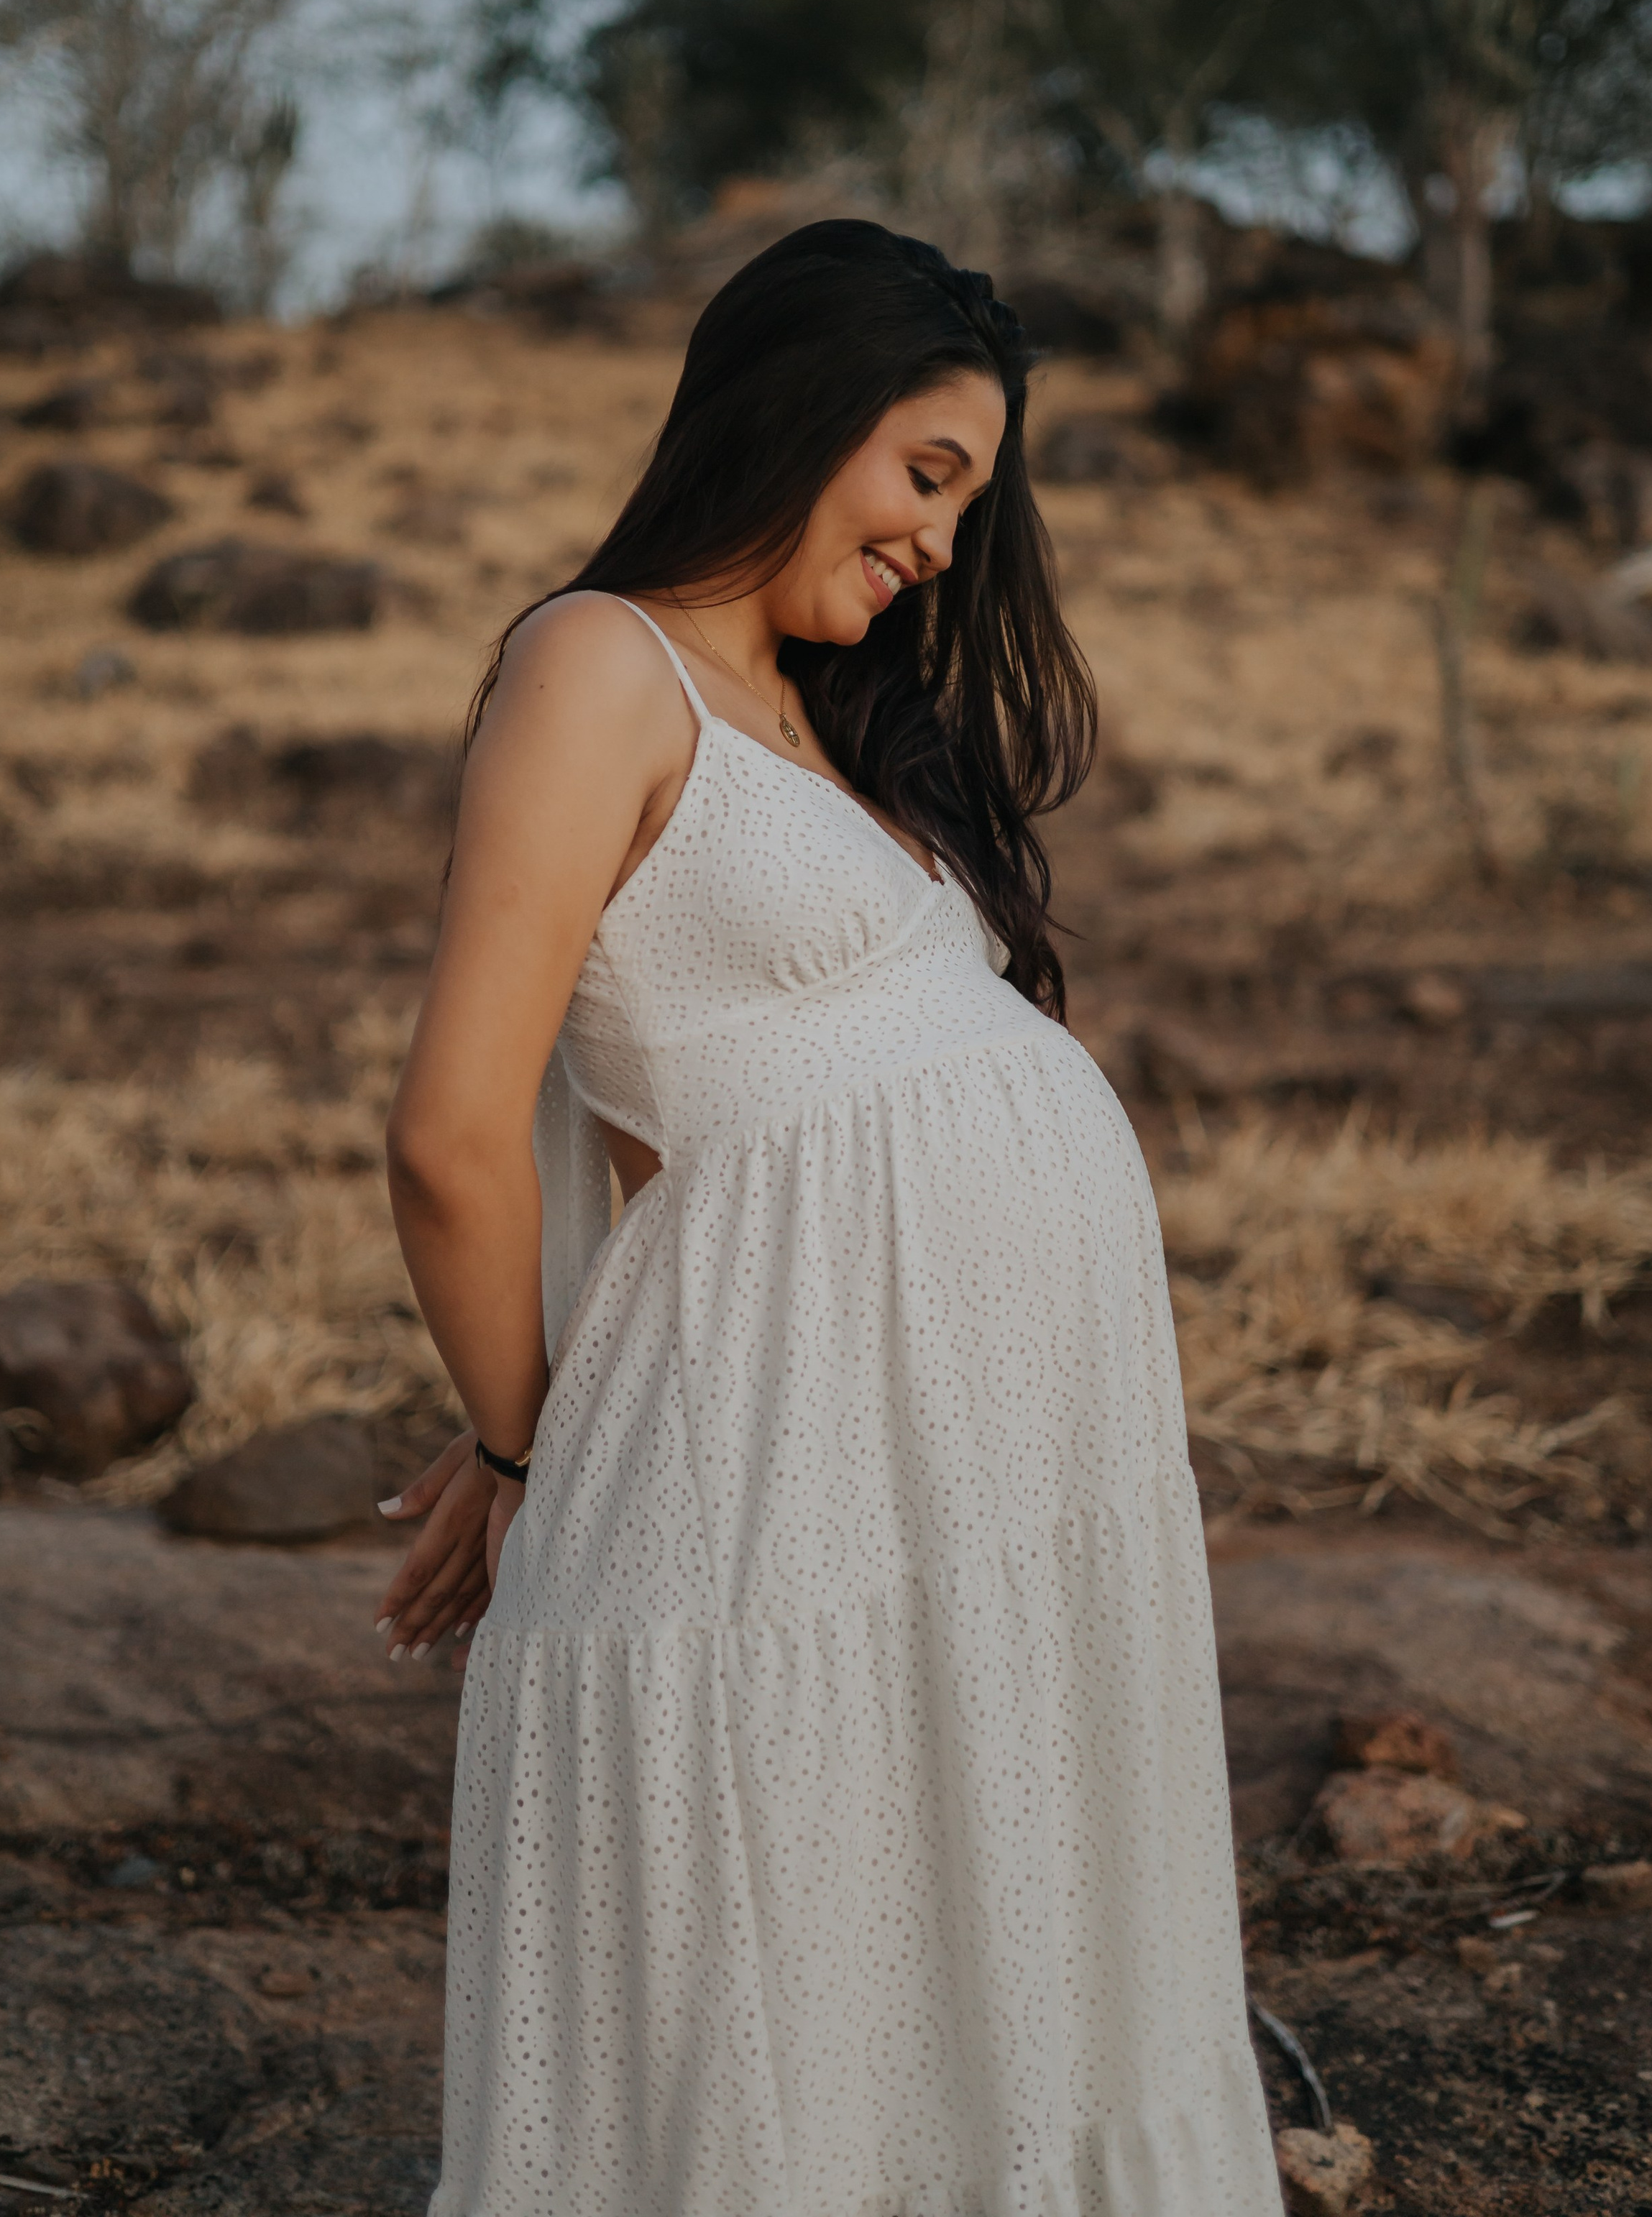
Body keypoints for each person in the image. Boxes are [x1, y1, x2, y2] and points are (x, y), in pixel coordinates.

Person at [375, 219, 1281, 2217]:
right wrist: (529, 1447)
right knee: (778, 1980)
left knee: (974, 1940)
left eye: (975, 500)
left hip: (971, 1484)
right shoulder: (597, 666)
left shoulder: (822, 716)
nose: (945, 546)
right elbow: (460, 1132)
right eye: (927, 474)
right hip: (781, 1481)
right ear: (796, 408)